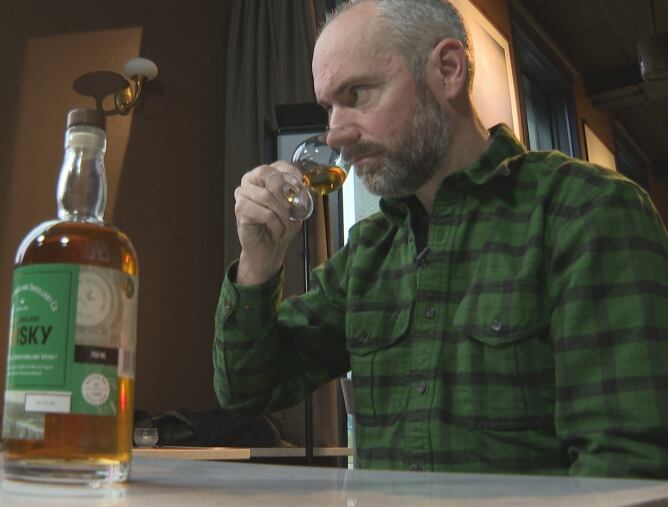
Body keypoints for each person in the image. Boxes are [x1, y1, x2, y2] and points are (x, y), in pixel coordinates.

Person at [213, 0, 668, 477]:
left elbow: (628, 471)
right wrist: (258, 261)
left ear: (447, 70)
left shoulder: (589, 213)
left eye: (358, 94)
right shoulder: (368, 252)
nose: (336, 133)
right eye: (330, 107)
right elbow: (247, 389)